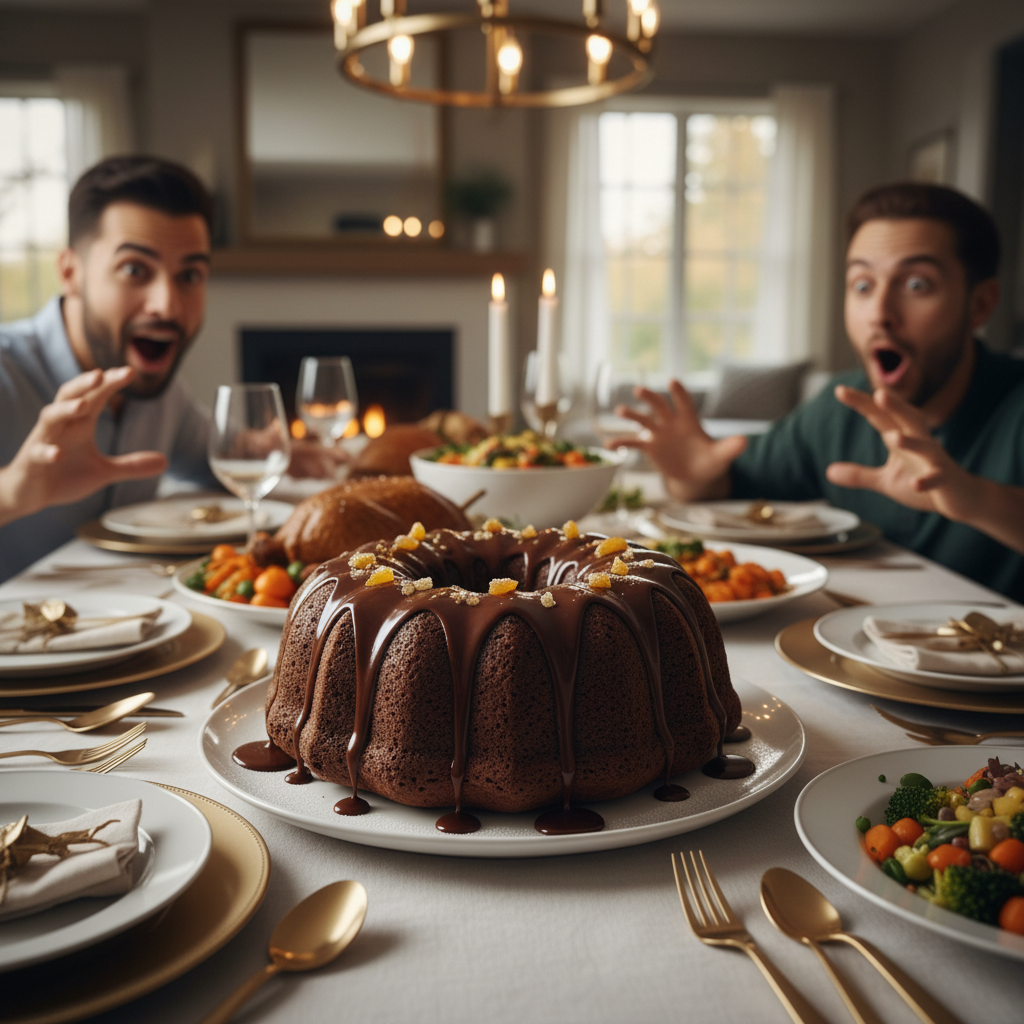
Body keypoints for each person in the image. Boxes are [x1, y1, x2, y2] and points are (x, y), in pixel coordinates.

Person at [615, 182, 1024, 601]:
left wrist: (976, 498)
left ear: (980, 304)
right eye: (863, 285)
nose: (880, 314)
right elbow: (726, 483)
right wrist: (691, 477)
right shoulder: (842, 402)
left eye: (917, 285)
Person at [0, 156, 339, 582]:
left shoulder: (163, 393)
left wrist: (273, 449)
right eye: (134, 270)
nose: (167, 305)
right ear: (70, 272)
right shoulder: (6, 371)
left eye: (190, 275)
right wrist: (12, 490)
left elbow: (217, 455)